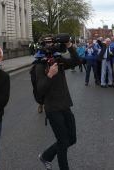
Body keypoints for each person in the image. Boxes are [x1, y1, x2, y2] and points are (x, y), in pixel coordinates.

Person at [35, 35, 81, 170]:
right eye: (47, 43)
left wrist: (69, 45)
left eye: (51, 43)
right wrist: (49, 75)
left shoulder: (58, 60)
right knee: (63, 141)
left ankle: (46, 156)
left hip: (65, 104)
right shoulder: (39, 65)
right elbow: (40, 90)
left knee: (72, 139)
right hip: (52, 108)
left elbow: (76, 62)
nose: (50, 45)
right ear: (42, 45)